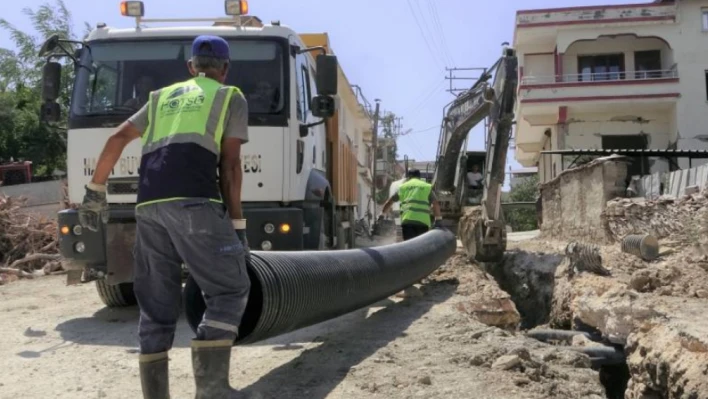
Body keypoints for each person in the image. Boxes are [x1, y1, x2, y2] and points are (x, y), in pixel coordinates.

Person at [77, 35, 251, 399]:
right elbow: (230, 166)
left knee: (156, 304)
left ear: (190, 67)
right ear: (225, 69)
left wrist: (95, 191)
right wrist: (237, 226)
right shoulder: (229, 96)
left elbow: (116, 139)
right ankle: (213, 390)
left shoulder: (159, 99)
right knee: (229, 288)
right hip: (195, 202)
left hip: (149, 206)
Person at [380, 168, 443, 241]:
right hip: (423, 222)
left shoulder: (402, 187)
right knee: (421, 245)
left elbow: (389, 202)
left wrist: (382, 214)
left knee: (410, 245)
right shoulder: (426, 187)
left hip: (407, 221)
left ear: (408, 177)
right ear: (419, 177)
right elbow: (435, 203)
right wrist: (438, 219)